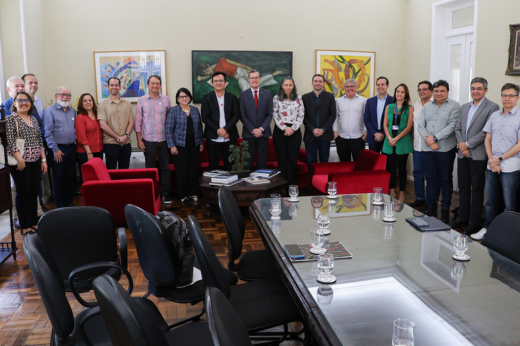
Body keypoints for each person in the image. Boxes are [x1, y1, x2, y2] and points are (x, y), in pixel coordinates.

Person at [471, 83, 520, 241]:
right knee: (490, 200)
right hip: (492, 163)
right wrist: (492, 159)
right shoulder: (495, 115)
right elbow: (487, 139)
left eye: (511, 95)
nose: (507, 98)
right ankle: (488, 228)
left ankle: (506, 233)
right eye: (504, 95)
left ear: (517, 98)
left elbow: (519, 145)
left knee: (509, 203)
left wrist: (499, 159)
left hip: (510, 164)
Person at [453, 78, 499, 235]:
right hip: (462, 154)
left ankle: (473, 222)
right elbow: (457, 128)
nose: (475, 91)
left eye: (479, 88)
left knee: (477, 190)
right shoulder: (465, 107)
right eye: (473, 88)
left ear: (486, 90)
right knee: (463, 188)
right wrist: (461, 145)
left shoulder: (493, 107)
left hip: (478, 155)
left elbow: (486, 132)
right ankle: (462, 218)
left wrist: (468, 145)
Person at [417, 80, 460, 224]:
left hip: (445, 149)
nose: (439, 93)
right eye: (436, 91)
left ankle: (445, 209)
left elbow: (452, 126)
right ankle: (431, 206)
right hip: (428, 149)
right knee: (430, 179)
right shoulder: (427, 106)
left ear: (447, 92)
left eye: (442, 91)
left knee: (445, 179)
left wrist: (434, 138)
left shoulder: (455, 106)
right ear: (432, 92)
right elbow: (420, 125)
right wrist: (429, 141)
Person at [6, 91, 47, 233]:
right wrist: (20, 159)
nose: (24, 103)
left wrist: (43, 160)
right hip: (20, 162)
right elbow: (10, 142)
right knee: (22, 192)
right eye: (20, 100)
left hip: (36, 160)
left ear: (31, 103)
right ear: (14, 103)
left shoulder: (33, 119)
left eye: (27, 100)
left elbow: (39, 140)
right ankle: (24, 224)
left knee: (33, 191)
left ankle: (33, 220)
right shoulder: (11, 119)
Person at [135, 75, 172, 204]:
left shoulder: (166, 100)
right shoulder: (142, 100)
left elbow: (170, 120)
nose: (155, 85)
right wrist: (139, 141)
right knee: (150, 168)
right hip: (148, 140)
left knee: (165, 168)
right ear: (148, 85)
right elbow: (138, 122)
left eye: (157, 83)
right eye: (152, 83)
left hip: (164, 140)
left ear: (160, 85)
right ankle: (150, 192)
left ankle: (165, 194)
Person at [166, 88, 204, 203]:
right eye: (181, 96)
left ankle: (193, 193)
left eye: (186, 96)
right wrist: (172, 145)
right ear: (177, 99)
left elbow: (199, 128)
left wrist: (201, 142)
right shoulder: (173, 111)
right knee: (182, 170)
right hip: (179, 146)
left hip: (195, 145)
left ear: (190, 98)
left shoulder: (195, 110)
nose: (184, 98)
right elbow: (168, 129)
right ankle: (182, 194)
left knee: (194, 170)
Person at [44, 87, 76, 208]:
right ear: (56, 96)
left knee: (69, 177)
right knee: (59, 178)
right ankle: (60, 205)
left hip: (71, 149)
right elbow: (48, 133)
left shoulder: (72, 110)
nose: (65, 97)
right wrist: (55, 150)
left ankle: (69, 202)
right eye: (62, 94)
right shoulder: (50, 111)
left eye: (68, 94)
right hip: (57, 150)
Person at [201, 71, 240, 171]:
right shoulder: (207, 97)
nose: (218, 83)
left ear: (225, 83)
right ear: (212, 83)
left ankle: (229, 187)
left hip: (229, 137)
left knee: (230, 166)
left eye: (221, 80)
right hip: (213, 138)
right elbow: (205, 118)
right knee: (213, 166)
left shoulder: (232, 97)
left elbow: (236, 116)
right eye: (216, 81)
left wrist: (225, 130)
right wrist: (219, 130)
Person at [382, 84, 414, 202]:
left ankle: (402, 192)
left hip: (402, 141)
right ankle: (391, 189)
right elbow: (385, 124)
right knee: (390, 168)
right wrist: (390, 138)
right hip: (389, 141)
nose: (399, 94)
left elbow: (409, 127)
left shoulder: (410, 108)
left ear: (405, 95)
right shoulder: (389, 107)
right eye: (398, 91)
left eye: (402, 92)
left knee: (401, 169)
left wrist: (396, 139)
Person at [272, 76, 304, 186]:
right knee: (282, 160)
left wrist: (292, 129)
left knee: (292, 160)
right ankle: (282, 187)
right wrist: (285, 128)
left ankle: (292, 186)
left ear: (293, 86)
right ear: (282, 86)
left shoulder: (299, 99)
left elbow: (301, 115)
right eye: (286, 85)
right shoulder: (276, 98)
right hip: (280, 132)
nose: (288, 87)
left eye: (290, 85)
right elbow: (275, 115)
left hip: (295, 132)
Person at [22, 73, 47, 212]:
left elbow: (40, 127)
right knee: (28, 184)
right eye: (30, 83)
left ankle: (39, 207)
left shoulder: (39, 102)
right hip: (24, 152)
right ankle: (30, 213)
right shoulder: (18, 107)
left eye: (36, 82)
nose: (34, 85)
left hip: (39, 147)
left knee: (38, 180)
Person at [239, 70, 273, 170]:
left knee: (262, 160)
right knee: (248, 161)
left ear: (260, 79)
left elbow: (269, 114)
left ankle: (261, 183)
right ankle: (248, 184)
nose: (254, 80)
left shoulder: (267, 93)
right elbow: (242, 115)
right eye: (252, 78)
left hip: (263, 133)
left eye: (256, 77)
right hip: (249, 134)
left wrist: (261, 129)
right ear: (248, 79)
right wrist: (253, 130)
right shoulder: (243, 95)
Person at [98, 77, 134, 169]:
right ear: (108, 87)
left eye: (116, 85)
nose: (114, 87)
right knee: (111, 171)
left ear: (120, 87)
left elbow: (131, 122)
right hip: (110, 144)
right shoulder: (102, 105)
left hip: (126, 143)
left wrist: (126, 136)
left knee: (125, 172)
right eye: (112, 85)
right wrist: (118, 138)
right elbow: (103, 124)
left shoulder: (127, 104)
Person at [302, 74, 336, 169]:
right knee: (311, 162)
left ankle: (322, 182)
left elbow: (333, 114)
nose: (318, 83)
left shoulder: (330, 97)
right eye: (316, 81)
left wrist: (323, 129)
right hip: (310, 135)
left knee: (324, 161)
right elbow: (303, 116)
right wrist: (312, 129)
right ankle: (311, 183)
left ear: (324, 83)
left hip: (325, 135)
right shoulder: (305, 97)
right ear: (312, 83)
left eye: (320, 81)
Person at [409, 81, 433, 208]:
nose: (421, 91)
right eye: (419, 89)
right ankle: (419, 198)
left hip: (430, 146)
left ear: (431, 91)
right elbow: (413, 126)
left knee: (430, 175)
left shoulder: (434, 105)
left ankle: (430, 201)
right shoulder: (416, 105)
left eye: (424, 89)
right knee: (417, 173)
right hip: (417, 145)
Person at [196, 57, 283, 91]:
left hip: (242, 71)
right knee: (247, 90)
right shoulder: (216, 74)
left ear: (208, 65)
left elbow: (237, 64)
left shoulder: (222, 61)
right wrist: (205, 74)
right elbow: (199, 79)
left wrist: (247, 67)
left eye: (206, 70)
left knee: (255, 83)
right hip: (238, 78)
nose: (207, 73)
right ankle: (266, 75)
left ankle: (274, 74)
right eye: (205, 73)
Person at [333, 78, 367, 161]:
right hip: (342, 138)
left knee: (359, 165)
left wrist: (365, 136)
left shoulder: (364, 101)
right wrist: (335, 135)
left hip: (359, 138)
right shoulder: (338, 101)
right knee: (344, 166)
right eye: (347, 86)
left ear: (356, 87)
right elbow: (335, 118)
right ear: (344, 88)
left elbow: (366, 119)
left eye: (352, 86)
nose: (349, 88)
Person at [75, 93, 103, 175]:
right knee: (88, 177)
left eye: (90, 100)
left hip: (99, 150)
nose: (88, 102)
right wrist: (89, 152)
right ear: (81, 103)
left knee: (98, 176)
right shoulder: (80, 117)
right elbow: (81, 137)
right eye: (85, 101)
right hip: (86, 152)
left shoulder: (98, 115)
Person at [364, 76, 393, 153]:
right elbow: (366, 119)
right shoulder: (370, 101)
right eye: (378, 85)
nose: (380, 87)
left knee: (387, 163)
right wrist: (374, 133)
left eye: (382, 84)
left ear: (387, 86)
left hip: (388, 138)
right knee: (373, 163)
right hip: (373, 138)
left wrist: (383, 134)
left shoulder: (393, 101)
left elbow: (393, 121)